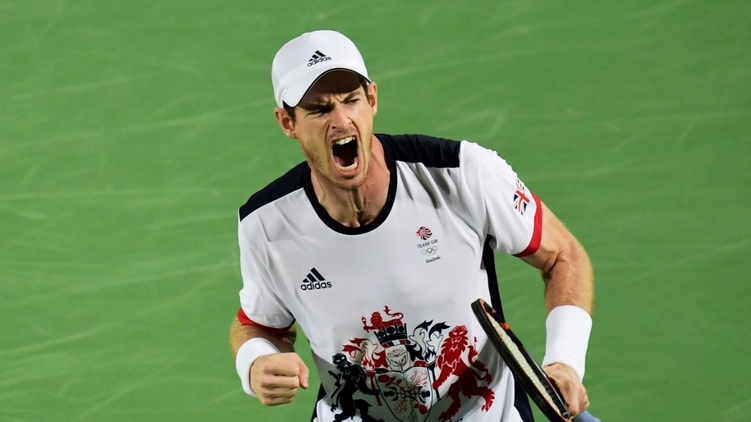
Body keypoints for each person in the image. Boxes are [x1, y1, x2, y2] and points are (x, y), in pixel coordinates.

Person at [229, 29, 600, 422]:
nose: (341, 120)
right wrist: (255, 362)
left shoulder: (462, 174)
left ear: (372, 99)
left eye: (351, 100)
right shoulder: (266, 224)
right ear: (287, 122)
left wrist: (565, 361)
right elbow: (257, 325)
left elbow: (562, 255)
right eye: (319, 110)